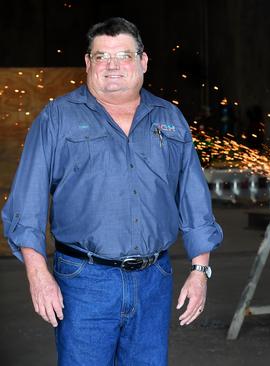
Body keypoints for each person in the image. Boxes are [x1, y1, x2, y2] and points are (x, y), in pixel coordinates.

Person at [1, 17, 223, 365]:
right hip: (84, 281)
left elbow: (193, 199)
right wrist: (38, 274)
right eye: (101, 56)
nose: (112, 66)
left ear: (143, 61)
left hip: (154, 280)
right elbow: (26, 203)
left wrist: (200, 271)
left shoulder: (169, 118)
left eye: (123, 55)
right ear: (88, 63)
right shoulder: (57, 118)